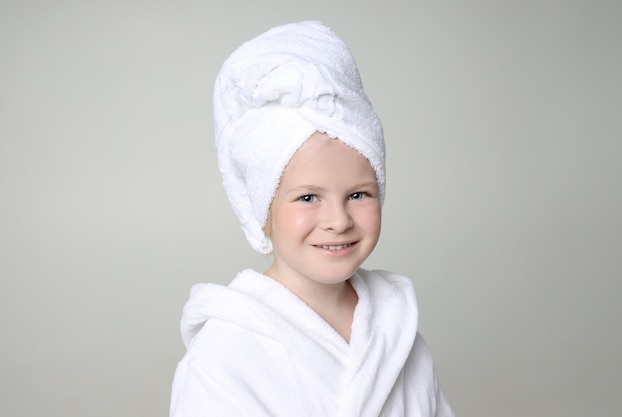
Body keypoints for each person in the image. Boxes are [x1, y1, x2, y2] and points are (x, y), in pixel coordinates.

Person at [170, 21, 455, 417]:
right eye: (308, 197)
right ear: (262, 211)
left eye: (358, 194)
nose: (338, 220)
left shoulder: (397, 331)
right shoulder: (224, 355)